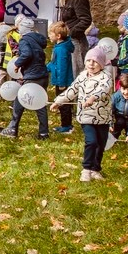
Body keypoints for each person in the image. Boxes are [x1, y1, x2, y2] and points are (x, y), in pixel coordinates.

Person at [52, 48, 115, 181]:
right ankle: (86, 169)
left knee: (100, 144)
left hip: (102, 117)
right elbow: (72, 90)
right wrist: (58, 101)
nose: (91, 64)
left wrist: (93, 98)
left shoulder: (106, 77)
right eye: (89, 61)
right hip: (86, 116)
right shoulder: (82, 76)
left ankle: (95, 169)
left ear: (102, 64)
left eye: (95, 62)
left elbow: (103, 90)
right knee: (91, 141)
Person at [0, 18, 49, 139]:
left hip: (33, 76)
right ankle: (43, 132)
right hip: (42, 75)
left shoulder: (24, 40)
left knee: (19, 101)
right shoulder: (37, 39)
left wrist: (17, 64)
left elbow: (27, 54)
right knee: (40, 104)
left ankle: (12, 128)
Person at [54, 0, 92, 77]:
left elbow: (86, 20)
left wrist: (72, 32)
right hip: (68, 39)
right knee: (69, 69)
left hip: (77, 41)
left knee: (78, 71)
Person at [47, 21, 75, 134]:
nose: (49, 36)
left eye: (51, 34)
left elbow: (62, 67)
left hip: (63, 81)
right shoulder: (59, 46)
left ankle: (67, 126)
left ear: (58, 36)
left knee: (63, 104)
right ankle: (65, 124)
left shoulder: (61, 49)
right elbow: (54, 63)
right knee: (62, 103)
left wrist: (62, 82)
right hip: (60, 80)